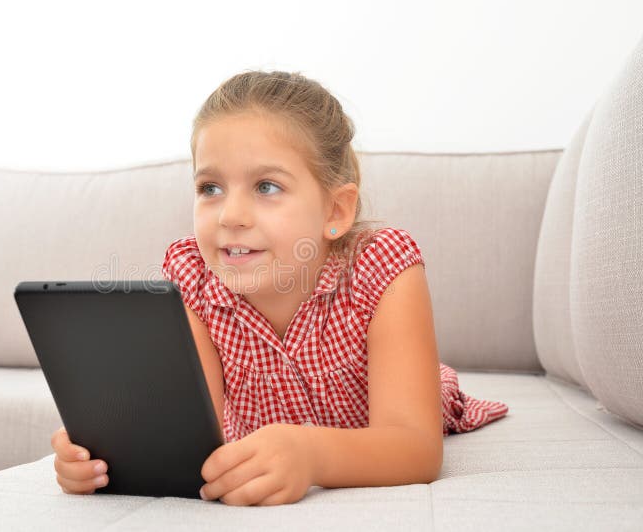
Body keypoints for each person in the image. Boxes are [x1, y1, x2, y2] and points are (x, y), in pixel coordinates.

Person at [50, 70, 509, 506]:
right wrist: (100, 461)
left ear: (335, 212)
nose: (230, 215)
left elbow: (415, 447)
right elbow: (185, 439)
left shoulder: (382, 267)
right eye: (210, 188)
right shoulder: (191, 276)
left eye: (266, 186)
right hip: (265, 442)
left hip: (392, 412)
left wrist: (312, 455)